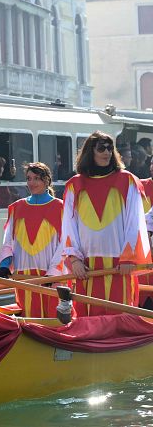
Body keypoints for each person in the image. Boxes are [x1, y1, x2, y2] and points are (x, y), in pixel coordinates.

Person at [61, 131, 151, 316]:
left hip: (119, 264)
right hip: (87, 266)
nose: (107, 152)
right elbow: (68, 226)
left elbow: (135, 222)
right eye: (101, 148)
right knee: (88, 316)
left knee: (120, 316)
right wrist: (74, 258)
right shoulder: (74, 185)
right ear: (90, 152)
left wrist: (129, 258)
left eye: (110, 148)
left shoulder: (127, 180)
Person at [0, 163, 66, 318]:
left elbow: (65, 244)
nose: (32, 183)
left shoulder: (60, 207)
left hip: (50, 277)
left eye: (37, 178)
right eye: (29, 178)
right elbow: (8, 240)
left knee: (53, 316)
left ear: (47, 180)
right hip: (24, 276)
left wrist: (54, 273)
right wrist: (5, 265)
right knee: (28, 314)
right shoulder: (17, 207)